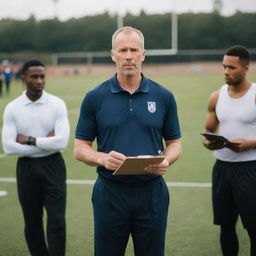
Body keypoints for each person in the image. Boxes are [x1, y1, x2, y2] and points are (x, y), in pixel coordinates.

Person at [74, 26, 182, 256]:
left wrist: (166, 160)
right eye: (122, 50)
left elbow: (175, 143)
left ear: (144, 54)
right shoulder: (95, 97)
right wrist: (102, 158)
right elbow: (80, 148)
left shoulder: (164, 96)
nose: (129, 56)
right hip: (110, 194)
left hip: (151, 193)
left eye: (134, 50)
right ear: (113, 54)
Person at [2, 60, 70, 256]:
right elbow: (9, 147)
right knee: (32, 221)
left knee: (57, 220)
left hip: (53, 165)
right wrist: (44, 142)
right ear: (24, 78)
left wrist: (30, 140)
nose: (39, 81)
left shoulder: (57, 104)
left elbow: (61, 143)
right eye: (34, 76)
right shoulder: (13, 108)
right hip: (27, 168)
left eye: (42, 76)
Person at [202, 45, 256, 256]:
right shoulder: (217, 96)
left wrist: (250, 144)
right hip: (222, 168)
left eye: (231, 67)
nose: (226, 71)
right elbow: (208, 130)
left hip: (250, 169)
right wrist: (208, 143)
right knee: (226, 226)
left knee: (253, 228)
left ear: (245, 68)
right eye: (224, 67)